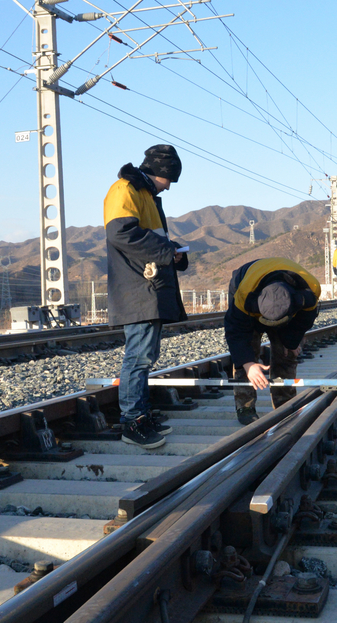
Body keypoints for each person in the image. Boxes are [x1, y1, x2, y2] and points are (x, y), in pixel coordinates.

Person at [104, 144, 188, 449]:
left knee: (145, 356)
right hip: (137, 288)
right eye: (169, 179)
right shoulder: (124, 190)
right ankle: (132, 422)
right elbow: (121, 234)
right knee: (138, 356)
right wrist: (166, 251)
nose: (169, 186)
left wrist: (173, 252)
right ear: (159, 173)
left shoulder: (146, 195)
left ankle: (140, 414)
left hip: (148, 288)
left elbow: (152, 240)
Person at [224, 258, 320, 425]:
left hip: (285, 301)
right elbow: (236, 332)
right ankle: (245, 406)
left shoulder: (309, 291)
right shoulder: (245, 295)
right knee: (247, 352)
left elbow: (303, 321)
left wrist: (292, 342)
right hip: (249, 283)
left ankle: (285, 403)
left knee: (286, 351)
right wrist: (248, 364)